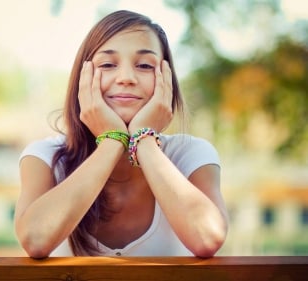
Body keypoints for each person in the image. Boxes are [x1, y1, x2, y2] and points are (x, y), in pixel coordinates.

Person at [15, 10, 228, 258]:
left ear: (166, 79)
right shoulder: (45, 157)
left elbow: (207, 237)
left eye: (145, 66)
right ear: (82, 79)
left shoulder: (191, 154)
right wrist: (112, 140)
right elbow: (35, 239)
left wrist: (143, 139)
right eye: (107, 64)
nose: (126, 78)